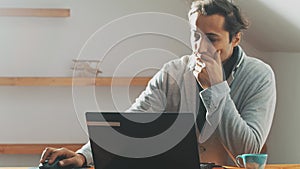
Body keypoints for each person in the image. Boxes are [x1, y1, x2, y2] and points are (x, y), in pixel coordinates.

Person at [40, 0, 276, 166]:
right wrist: (83, 156)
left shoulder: (260, 76)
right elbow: (133, 122)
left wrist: (216, 88)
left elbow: (248, 151)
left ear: (235, 38)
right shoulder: (173, 72)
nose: (200, 47)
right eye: (195, 35)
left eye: (212, 39)